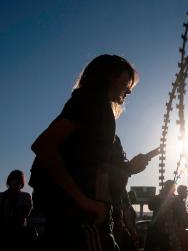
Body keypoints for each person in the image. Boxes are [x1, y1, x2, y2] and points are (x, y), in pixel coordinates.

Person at [29, 54, 160, 251]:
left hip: (80, 216)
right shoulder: (91, 104)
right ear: (109, 76)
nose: (129, 90)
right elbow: (44, 146)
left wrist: (128, 168)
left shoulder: (94, 107)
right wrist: (85, 202)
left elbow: (90, 163)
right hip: (82, 219)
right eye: (127, 81)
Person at [0, 170, 34, 251]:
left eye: (18, 180)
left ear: (21, 183)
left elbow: (25, 213)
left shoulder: (25, 197)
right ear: (9, 181)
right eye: (13, 179)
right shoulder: (1, 197)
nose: (15, 182)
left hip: (19, 232)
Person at [144, 180, 181, 251]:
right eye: (173, 187)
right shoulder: (159, 198)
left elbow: (177, 215)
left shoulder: (175, 199)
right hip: (160, 232)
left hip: (169, 232)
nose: (175, 189)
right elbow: (150, 206)